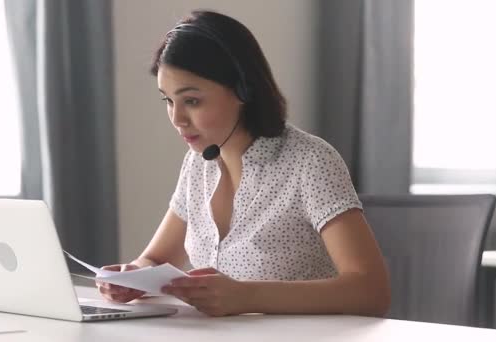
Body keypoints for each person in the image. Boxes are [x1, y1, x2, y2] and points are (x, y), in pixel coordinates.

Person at [97, 10, 390, 317]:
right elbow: (155, 259)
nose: (177, 119)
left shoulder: (311, 162)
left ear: (242, 90)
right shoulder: (198, 164)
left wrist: (247, 296)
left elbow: (371, 290)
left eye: (192, 101)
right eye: (168, 101)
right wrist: (132, 277)